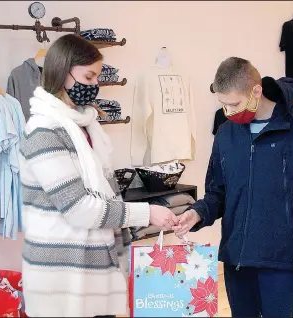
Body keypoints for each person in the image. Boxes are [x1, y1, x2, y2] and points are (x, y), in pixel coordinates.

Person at [18, 34, 178, 317]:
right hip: (63, 278)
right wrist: (145, 213)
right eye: (88, 77)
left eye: (97, 78)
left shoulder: (87, 126)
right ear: (61, 72)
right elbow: (78, 208)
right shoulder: (44, 131)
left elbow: (105, 192)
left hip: (93, 269)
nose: (94, 86)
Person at [174, 57, 293, 317]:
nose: (229, 111)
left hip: (282, 265)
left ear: (255, 92)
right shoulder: (226, 133)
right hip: (237, 262)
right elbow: (218, 193)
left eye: (234, 104)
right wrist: (198, 212)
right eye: (223, 105)